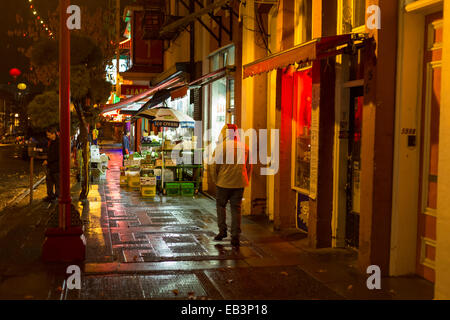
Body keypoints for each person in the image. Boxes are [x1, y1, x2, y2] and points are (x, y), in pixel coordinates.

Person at [210, 124, 252, 247]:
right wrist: (245, 179)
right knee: (236, 209)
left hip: (223, 182)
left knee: (221, 206)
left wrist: (215, 180)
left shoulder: (220, 148)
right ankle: (235, 236)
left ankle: (222, 231)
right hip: (239, 183)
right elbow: (248, 166)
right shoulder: (244, 147)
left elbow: (214, 167)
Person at [43, 126, 60, 202]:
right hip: (51, 166)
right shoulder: (51, 142)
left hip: (56, 166)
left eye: (49, 134)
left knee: (57, 182)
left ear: (53, 134)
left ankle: (57, 196)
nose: (48, 136)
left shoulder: (59, 142)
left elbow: (57, 155)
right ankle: (50, 195)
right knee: (49, 181)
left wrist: (48, 160)